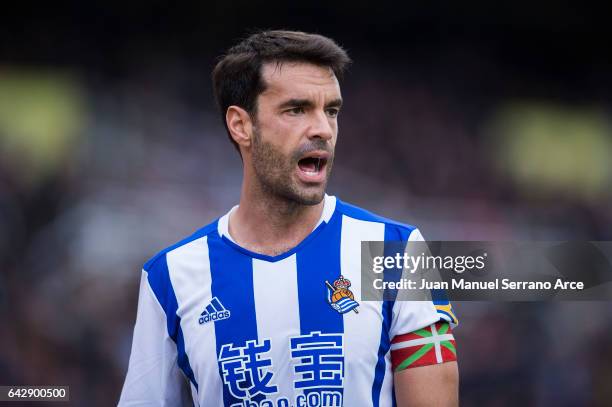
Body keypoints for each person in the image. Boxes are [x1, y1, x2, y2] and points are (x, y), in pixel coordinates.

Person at [119, 30, 459, 407]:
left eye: (331, 110)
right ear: (241, 125)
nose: (323, 129)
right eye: (296, 109)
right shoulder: (171, 278)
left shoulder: (394, 253)